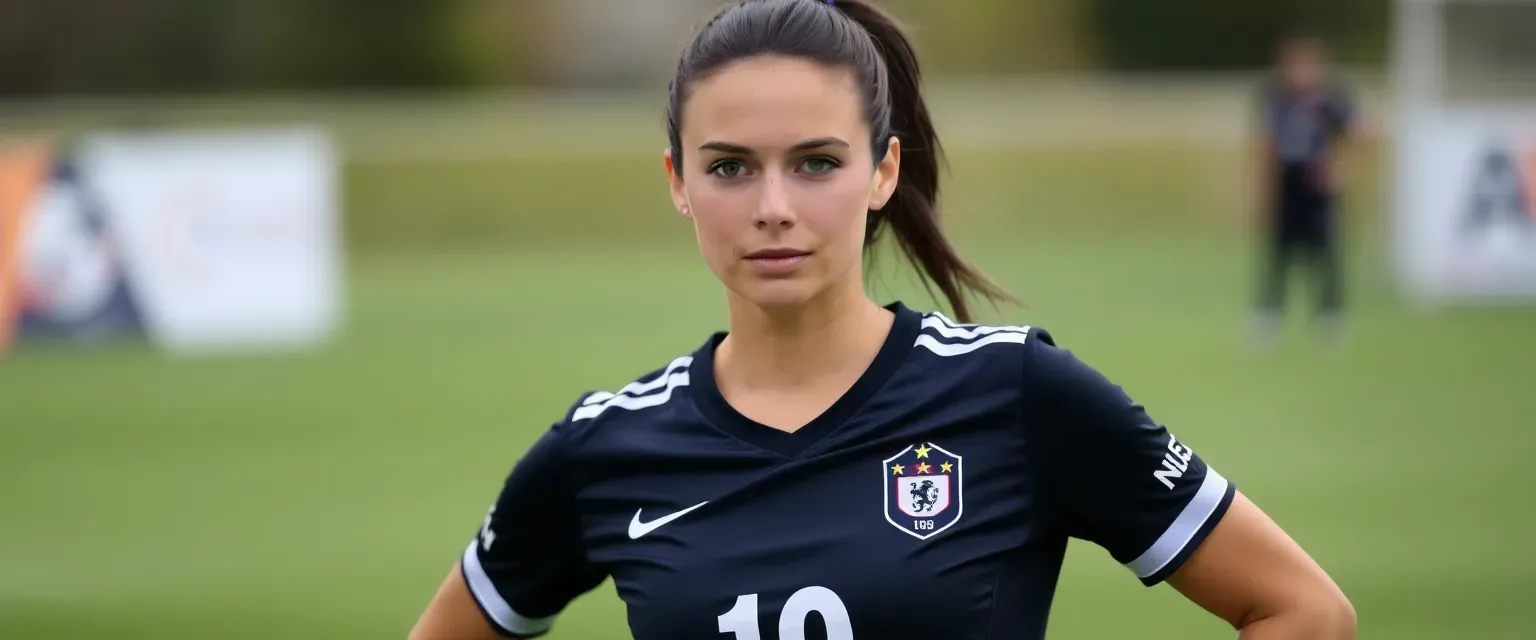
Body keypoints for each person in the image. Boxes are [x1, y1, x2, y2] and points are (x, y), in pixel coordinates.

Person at [410, 1, 1357, 638]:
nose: (773, 205)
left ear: (883, 172)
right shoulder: (604, 450)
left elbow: (1302, 611)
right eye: (730, 166)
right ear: (678, 184)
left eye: (817, 162)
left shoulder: (1015, 394)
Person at [1247, 32, 1365, 353]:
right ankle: (1268, 319)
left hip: (1318, 184)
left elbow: (1362, 133)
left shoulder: (1332, 99)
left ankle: (1329, 319)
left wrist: (1342, 170)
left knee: (1326, 253)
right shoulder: (1274, 97)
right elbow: (1266, 144)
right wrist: (1259, 189)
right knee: (1278, 254)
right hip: (1287, 182)